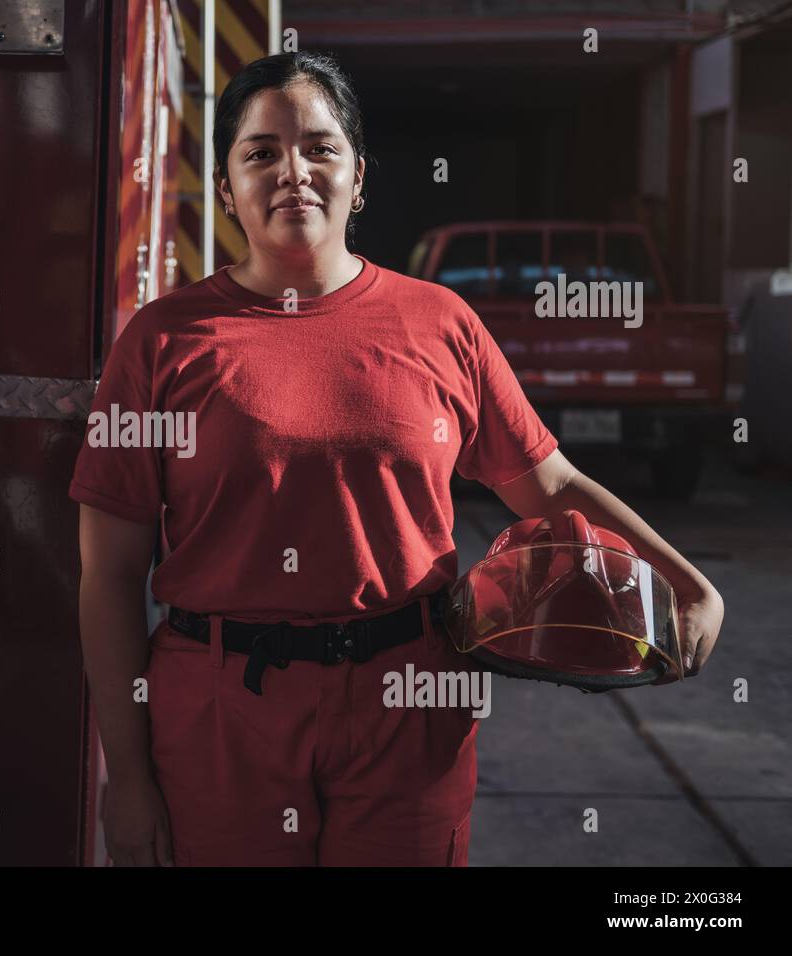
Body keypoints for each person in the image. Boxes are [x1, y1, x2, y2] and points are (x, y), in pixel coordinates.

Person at [70, 52, 723, 867]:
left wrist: (682, 582)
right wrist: (125, 778)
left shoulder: (440, 324)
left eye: (319, 147)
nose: (293, 172)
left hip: (409, 699)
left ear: (359, 177)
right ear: (226, 187)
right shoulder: (162, 342)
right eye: (261, 153)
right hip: (216, 714)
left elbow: (549, 485)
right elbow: (109, 574)